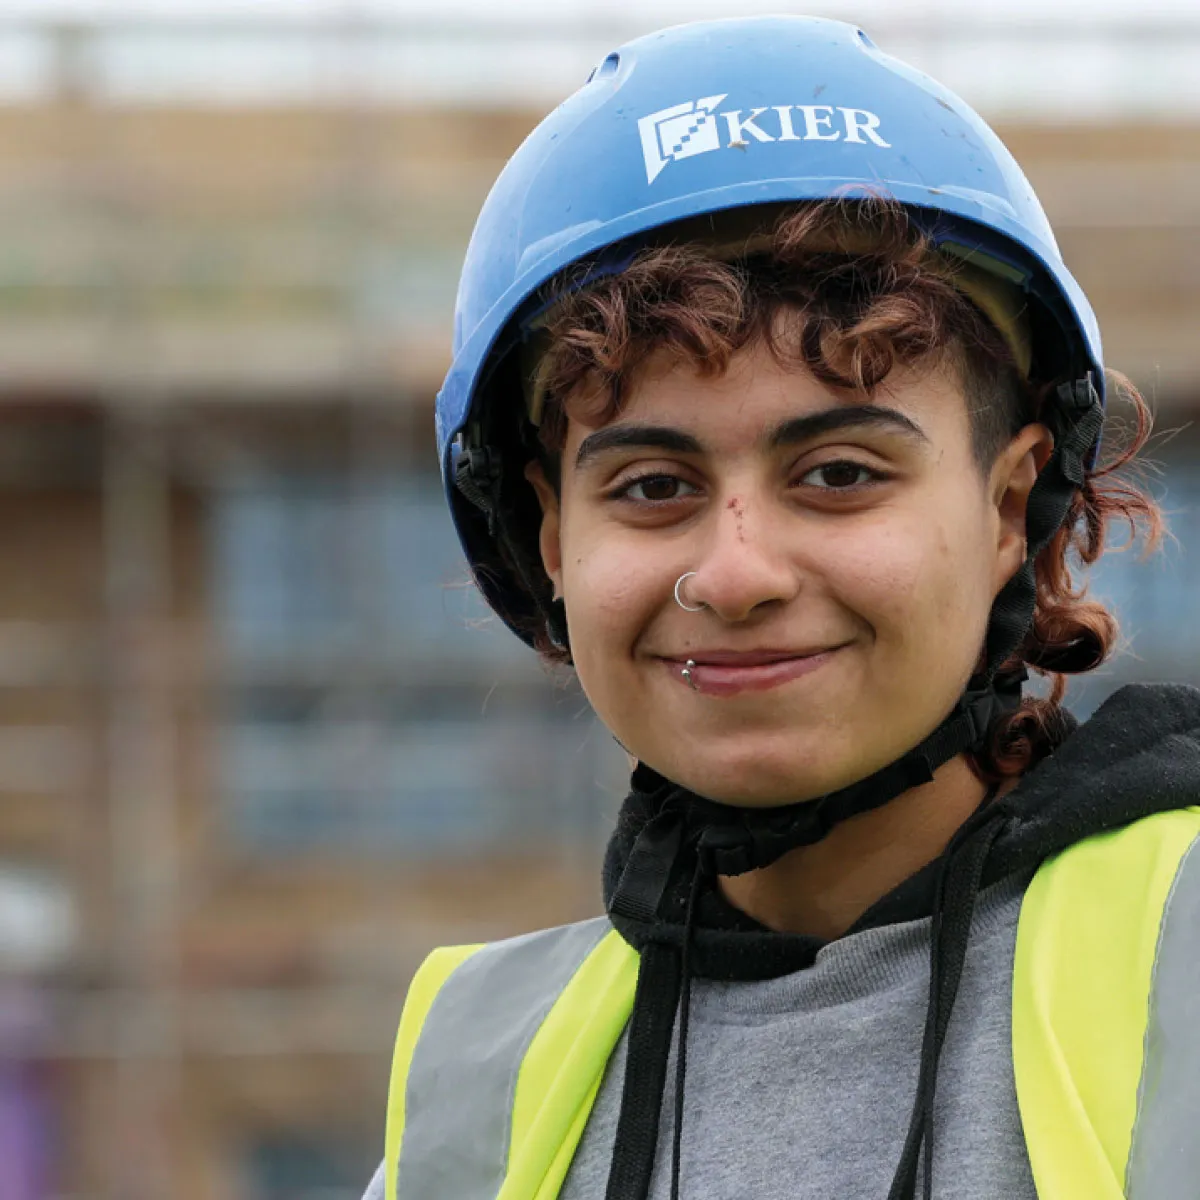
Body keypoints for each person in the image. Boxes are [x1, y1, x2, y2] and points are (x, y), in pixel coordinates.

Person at [362, 15, 1200, 1200]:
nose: (738, 573)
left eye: (841, 475)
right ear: (552, 541)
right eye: (653, 488)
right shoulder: (475, 1078)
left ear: (1008, 506)